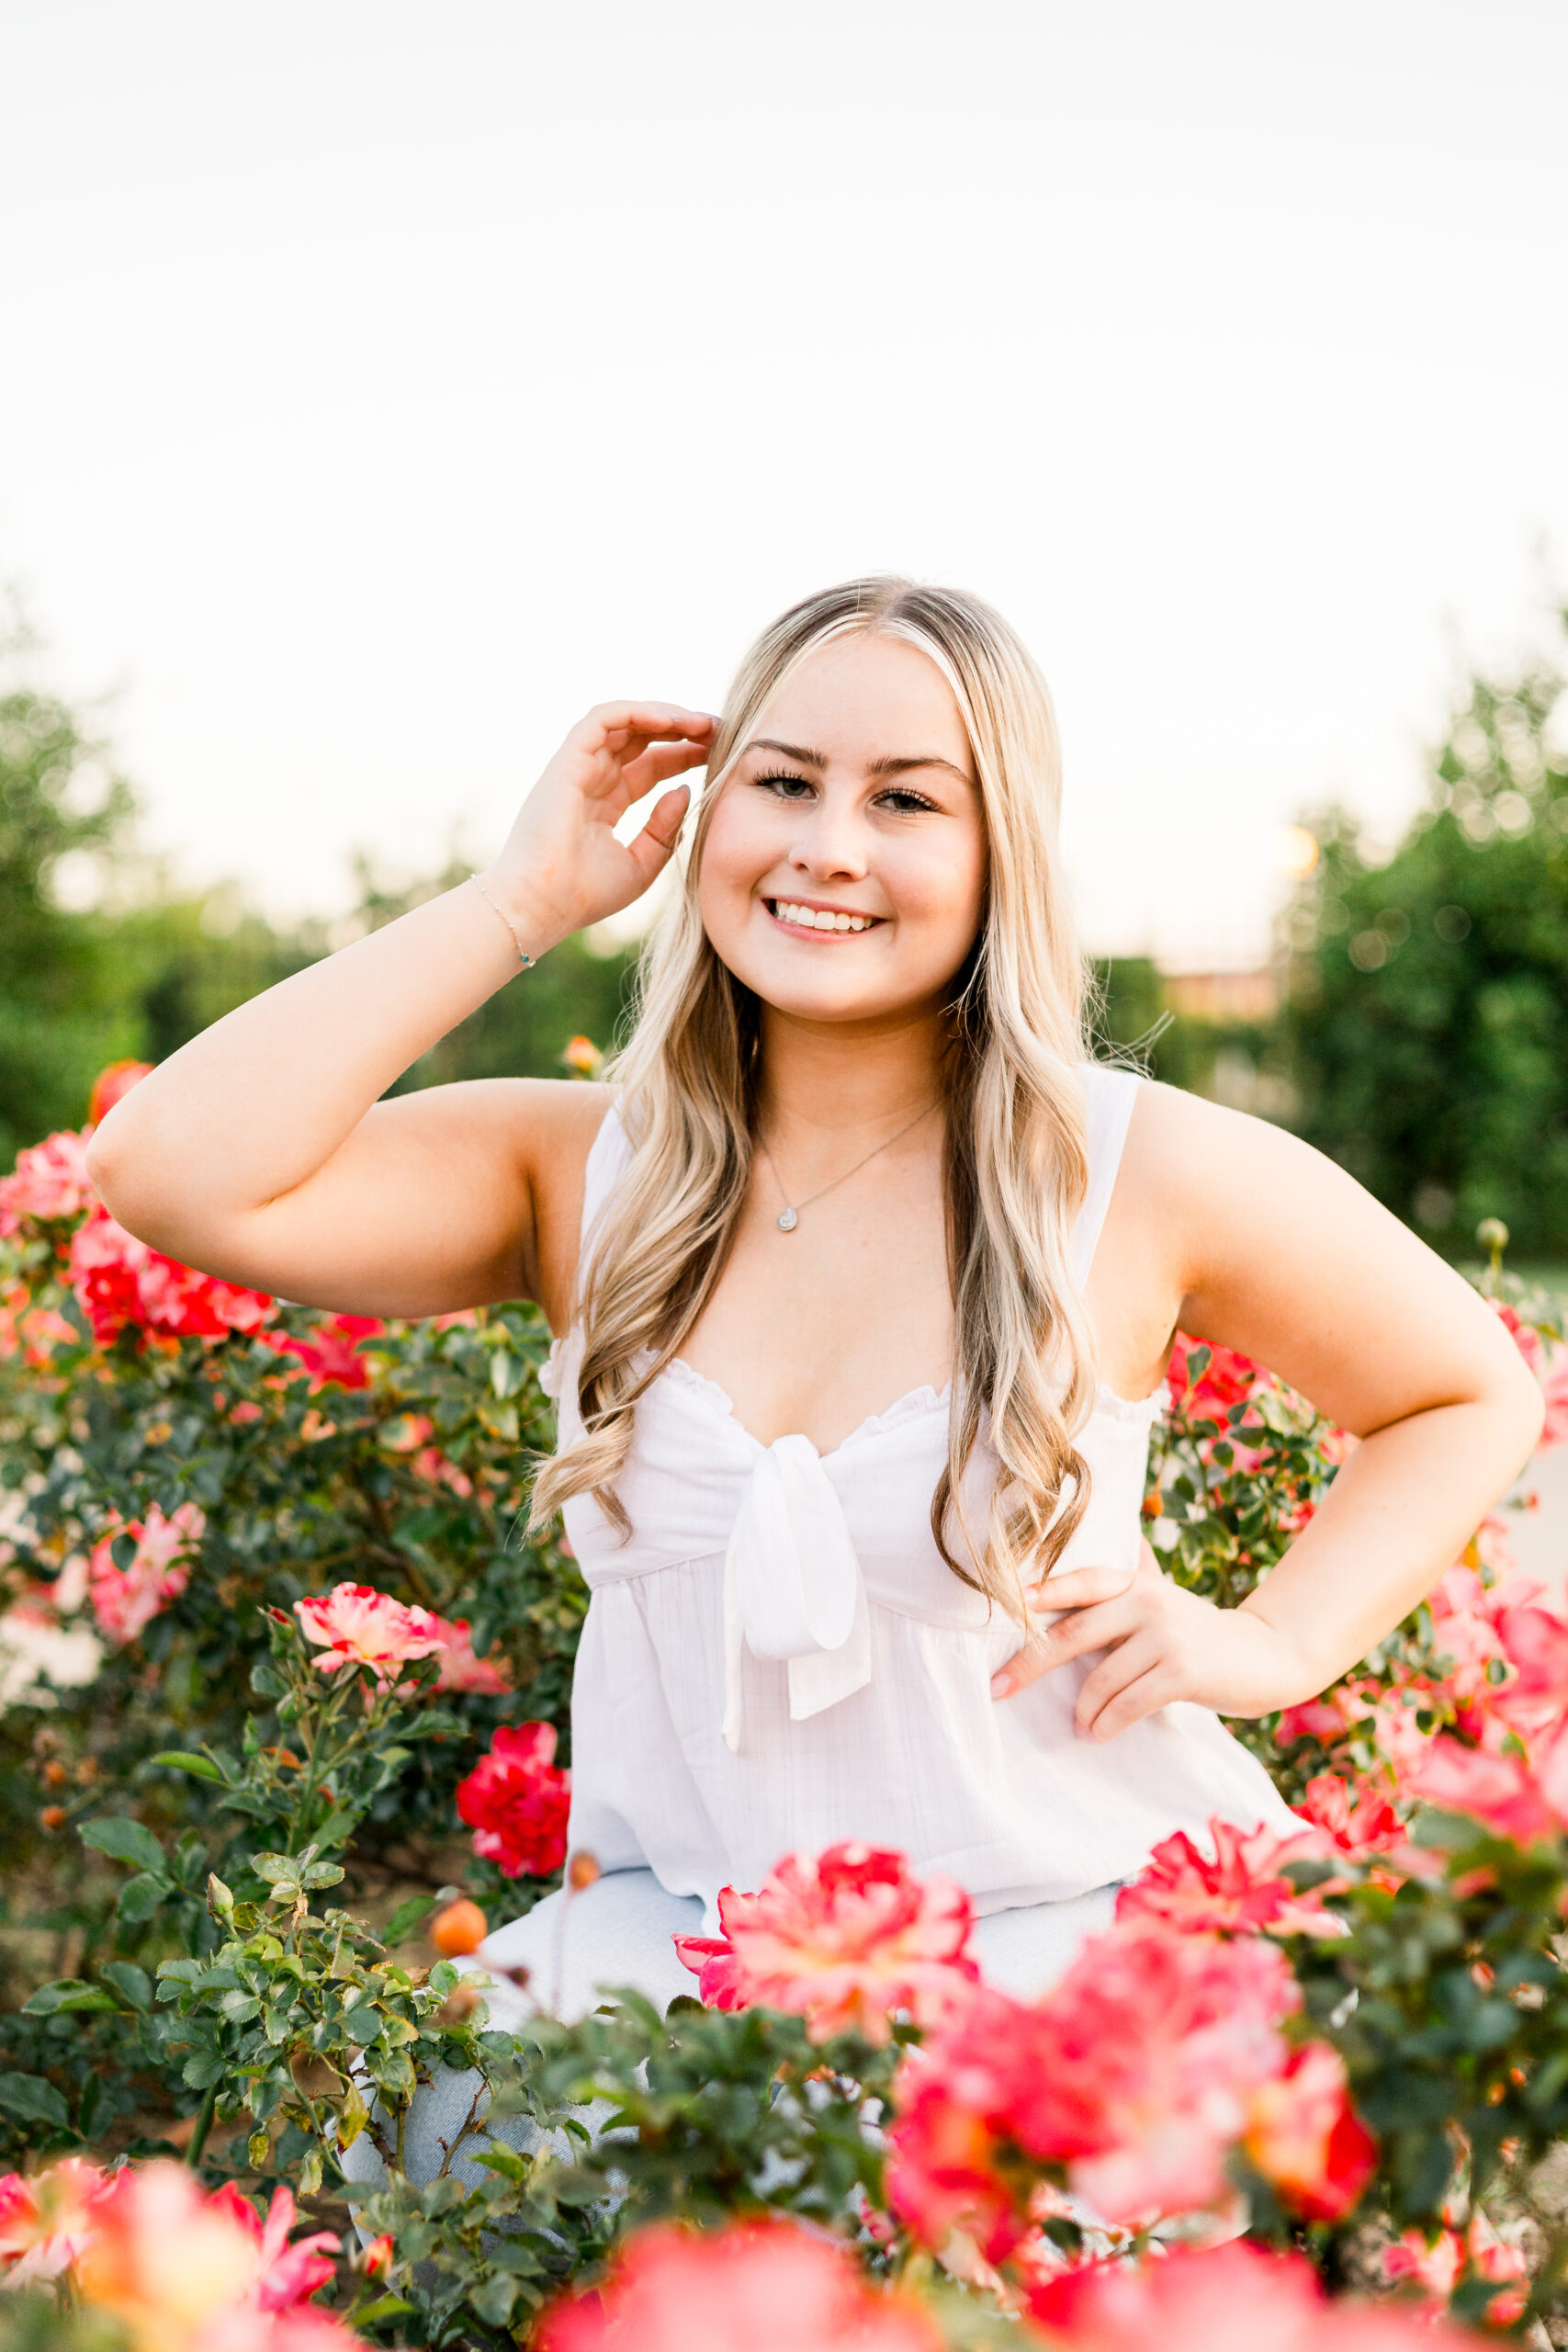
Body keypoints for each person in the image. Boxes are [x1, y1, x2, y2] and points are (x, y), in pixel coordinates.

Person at [89, 576, 1543, 2027]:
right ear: (712, 813)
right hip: (679, 1966)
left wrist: (1277, 1641)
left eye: (907, 801)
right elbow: (171, 1168)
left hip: (1072, 1966)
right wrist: (523, 899)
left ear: (998, 855)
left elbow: (1463, 1389)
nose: (827, 848)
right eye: (781, 782)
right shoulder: (577, 1168)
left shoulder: (1133, 1170)